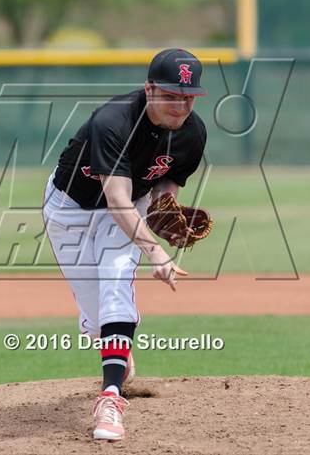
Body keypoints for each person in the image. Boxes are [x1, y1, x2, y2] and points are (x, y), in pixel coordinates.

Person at [42, 48, 207, 441]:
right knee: (99, 322)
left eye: (188, 96)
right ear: (149, 88)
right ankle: (114, 347)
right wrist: (156, 251)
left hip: (131, 207)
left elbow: (168, 179)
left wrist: (165, 204)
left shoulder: (193, 133)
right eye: (170, 94)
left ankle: (111, 399)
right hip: (71, 212)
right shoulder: (113, 121)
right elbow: (114, 198)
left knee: (117, 286)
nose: (180, 105)